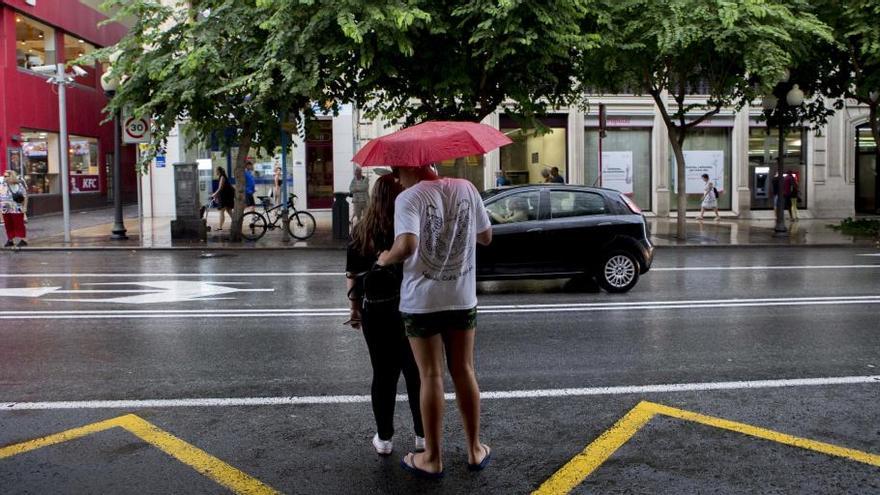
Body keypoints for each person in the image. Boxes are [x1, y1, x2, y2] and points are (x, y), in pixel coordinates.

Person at [378, 164, 493, 478]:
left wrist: (385, 257)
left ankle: (432, 457)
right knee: (464, 370)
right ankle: (474, 450)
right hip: (461, 296)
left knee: (430, 375)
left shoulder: (409, 197)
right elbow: (486, 237)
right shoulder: (466, 188)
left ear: (411, 168)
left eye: (397, 173)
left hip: (422, 302)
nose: (397, 180)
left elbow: (408, 245)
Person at [345, 174, 424, 457]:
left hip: (375, 311)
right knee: (415, 373)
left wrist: (354, 311)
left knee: (383, 374)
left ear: (374, 197)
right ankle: (422, 436)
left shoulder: (360, 230)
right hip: (410, 308)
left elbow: (353, 275)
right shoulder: (409, 227)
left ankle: (385, 438)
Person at [1, 170, 28, 247]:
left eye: (6, 176)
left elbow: (25, 196)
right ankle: (10, 240)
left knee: (19, 223)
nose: (4, 178)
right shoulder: (3, 185)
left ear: (11, 176)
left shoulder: (19, 185)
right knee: (8, 224)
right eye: (4, 176)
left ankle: (24, 240)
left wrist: (25, 207)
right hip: (5, 208)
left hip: (16, 208)